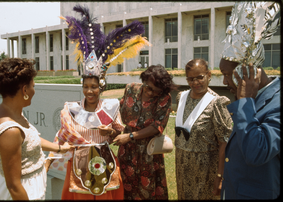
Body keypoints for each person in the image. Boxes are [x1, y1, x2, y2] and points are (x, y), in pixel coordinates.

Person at [45, 5, 150, 200]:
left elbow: (119, 133)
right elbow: (61, 137)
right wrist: (48, 161)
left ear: (101, 86)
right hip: (78, 165)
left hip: (105, 163)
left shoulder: (111, 107)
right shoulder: (72, 109)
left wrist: (110, 132)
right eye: (86, 87)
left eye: (94, 87)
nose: (90, 91)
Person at [0, 58, 73, 200]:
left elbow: (29, 140)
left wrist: (59, 148)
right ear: (24, 90)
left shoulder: (5, 110)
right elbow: (14, 187)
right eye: (33, 85)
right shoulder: (10, 131)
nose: (34, 90)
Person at [219, 2, 280, 199]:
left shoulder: (277, 101)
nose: (224, 81)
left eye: (227, 75)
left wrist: (245, 102)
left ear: (246, 70)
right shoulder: (248, 100)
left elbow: (256, 151)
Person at [113, 64, 176, 200]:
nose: (150, 93)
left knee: (147, 190)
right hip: (127, 150)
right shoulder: (130, 89)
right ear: (144, 80)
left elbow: (157, 126)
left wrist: (130, 136)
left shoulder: (164, 98)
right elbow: (117, 110)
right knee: (126, 186)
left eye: (156, 91)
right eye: (148, 88)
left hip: (149, 151)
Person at [174, 59, 232, 200]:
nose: (195, 83)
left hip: (206, 170)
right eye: (191, 79)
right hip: (182, 166)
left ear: (209, 75)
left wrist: (220, 176)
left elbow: (224, 142)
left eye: (200, 77)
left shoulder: (216, 103)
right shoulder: (181, 97)